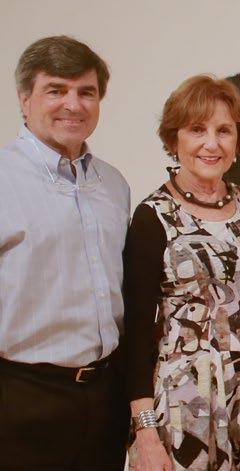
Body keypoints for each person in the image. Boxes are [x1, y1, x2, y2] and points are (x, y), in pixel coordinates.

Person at [124, 75, 240, 470]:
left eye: (224, 131)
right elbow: (135, 333)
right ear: (174, 139)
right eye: (197, 129)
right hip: (189, 409)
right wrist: (145, 432)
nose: (211, 143)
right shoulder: (153, 217)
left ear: (238, 141)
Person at [0, 35, 131, 470]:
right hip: (21, 400)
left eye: (86, 92)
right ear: (24, 99)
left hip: (104, 397)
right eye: (56, 90)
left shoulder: (114, 185)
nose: (73, 105)